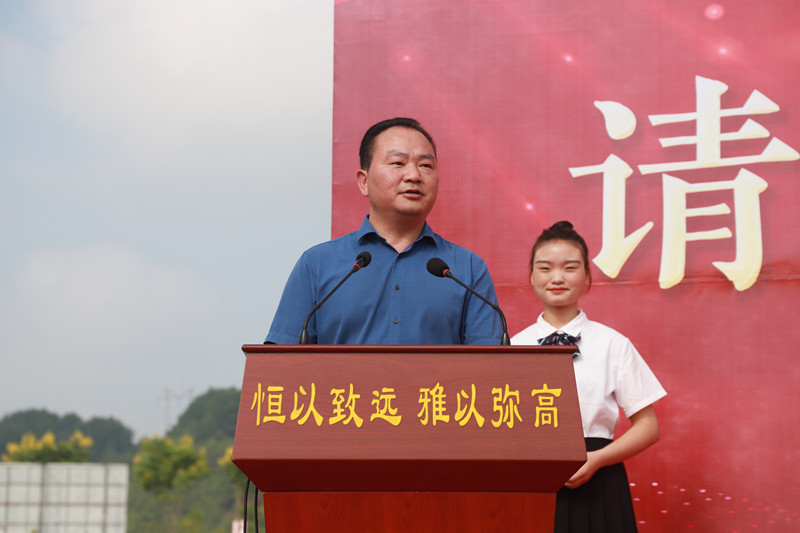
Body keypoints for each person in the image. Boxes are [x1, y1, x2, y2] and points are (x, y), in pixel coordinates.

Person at [265, 117, 502, 345]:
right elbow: (283, 362)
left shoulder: (467, 270)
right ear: (364, 181)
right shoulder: (316, 265)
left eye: (425, 165)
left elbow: (490, 365)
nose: (414, 176)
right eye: (398, 163)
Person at [511, 221, 666, 533]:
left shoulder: (613, 344)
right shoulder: (511, 347)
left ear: (587, 278)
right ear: (531, 276)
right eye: (545, 268)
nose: (557, 277)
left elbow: (648, 427)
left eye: (570, 267)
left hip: (600, 478)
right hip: (532, 480)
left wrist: (596, 459)